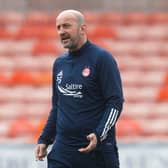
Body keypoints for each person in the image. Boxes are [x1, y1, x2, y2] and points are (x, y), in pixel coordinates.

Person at [35, 9, 124, 168]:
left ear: (82, 28)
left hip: (96, 151)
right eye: (58, 27)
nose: (61, 31)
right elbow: (57, 107)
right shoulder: (59, 64)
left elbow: (115, 102)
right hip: (63, 152)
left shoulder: (102, 59)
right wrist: (45, 139)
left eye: (66, 26)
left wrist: (99, 135)